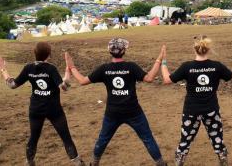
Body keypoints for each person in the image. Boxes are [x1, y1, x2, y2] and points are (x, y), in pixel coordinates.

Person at [64, 38, 167, 166]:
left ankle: (94, 163)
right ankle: (161, 163)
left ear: (109, 51)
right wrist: (160, 59)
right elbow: (150, 78)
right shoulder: (131, 66)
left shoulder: (104, 68)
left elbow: (82, 81)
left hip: (113, 112)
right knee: (147, 138)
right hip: (133, 111)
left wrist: (72, 66)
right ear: (124, 51)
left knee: (103, 139)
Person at [160, 36, 232, 166]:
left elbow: (167, 80)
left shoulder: (187, 66)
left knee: (186, 138)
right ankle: (222, 158)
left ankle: (179, 160)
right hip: (211, 110)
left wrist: (163, 61)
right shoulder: (216, 66)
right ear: (208, 49)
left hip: (191, 111)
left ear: (195, 49)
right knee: (217, 138)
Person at [0, 42, 85, 166]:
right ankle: (77, 163)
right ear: (49, 55)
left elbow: (12, 85)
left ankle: (29, 162)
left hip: (35, 109)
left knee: (34, 138)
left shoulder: (28, 67)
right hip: (54, 110)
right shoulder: (51, 68)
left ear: (35, 53)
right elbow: (64, 87)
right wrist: (68, 70)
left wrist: (3, 69)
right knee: (66, 138)